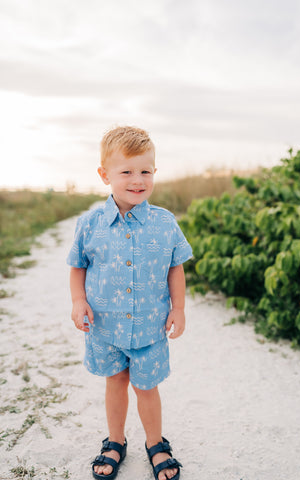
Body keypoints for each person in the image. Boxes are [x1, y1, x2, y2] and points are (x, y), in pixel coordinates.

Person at [67, 126, 192, 480]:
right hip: (105, 327)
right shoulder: (90, 224)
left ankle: (155, 443)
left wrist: (178, 308)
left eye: (145, 171)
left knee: (146, 388)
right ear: (104, 175)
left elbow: (175, 268)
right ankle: (115, 441)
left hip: (150, 326)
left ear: (154, 172)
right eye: (126, 172)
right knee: (115, 382)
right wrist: (79, 301)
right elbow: (77, 267)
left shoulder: (165, 223)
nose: (137, 180)